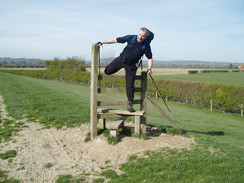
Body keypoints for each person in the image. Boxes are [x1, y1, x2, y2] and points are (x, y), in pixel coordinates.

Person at [97, 27, 153, 112]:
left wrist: (149, 68)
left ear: (146, 37)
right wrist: (102, 42)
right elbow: (116, 40)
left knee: (130, 84)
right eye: (140, 34)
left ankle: (130, 103)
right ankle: (110, 72)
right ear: (138, 33)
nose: (140, 37)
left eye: (143, 36)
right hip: (121, 59)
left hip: (131, 65)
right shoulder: (131, 37)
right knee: (107, 71)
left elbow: (150, 58)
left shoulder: (146, 46)